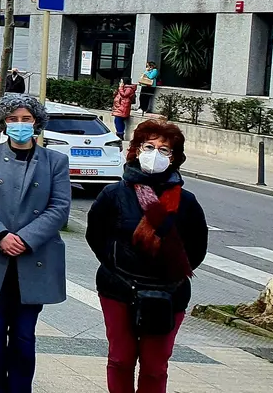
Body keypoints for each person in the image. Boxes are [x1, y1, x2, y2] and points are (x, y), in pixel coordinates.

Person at [87, 120, 208, 393]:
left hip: (169, 294)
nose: (155, 154)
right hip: (119, 288)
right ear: (137, 150)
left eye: (164, 150)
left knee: (155, 366)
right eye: (149, 146)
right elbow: (96, 235)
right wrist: (116, 264)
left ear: (174, 158)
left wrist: (171, 274)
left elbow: (197, 248)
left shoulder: (187, 202)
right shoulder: (114, 194)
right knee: (120, 359)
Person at [0, 94, 71, 393]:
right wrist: (0, 235)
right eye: (13, 119)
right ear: (3, 122)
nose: (20, 124)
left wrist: (25, 239)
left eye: (26, 119)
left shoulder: (55, 161)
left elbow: (59, 208)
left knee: (24, 335)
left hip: (33, 259)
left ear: (36, 122)